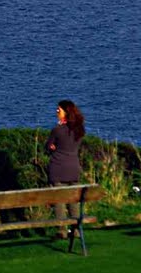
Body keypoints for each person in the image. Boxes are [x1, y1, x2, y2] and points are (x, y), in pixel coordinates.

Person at [46, 100, 86, 237]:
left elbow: (49, 146)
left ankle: (62, 230)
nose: (56, 112)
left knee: (59, 201)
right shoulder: (79, 130)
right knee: (73, 200)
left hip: (57, 168)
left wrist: (54, 147)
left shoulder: (57, 130)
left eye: (59, 110)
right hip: (73, 168)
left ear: (66, 113)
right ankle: (76, 229)